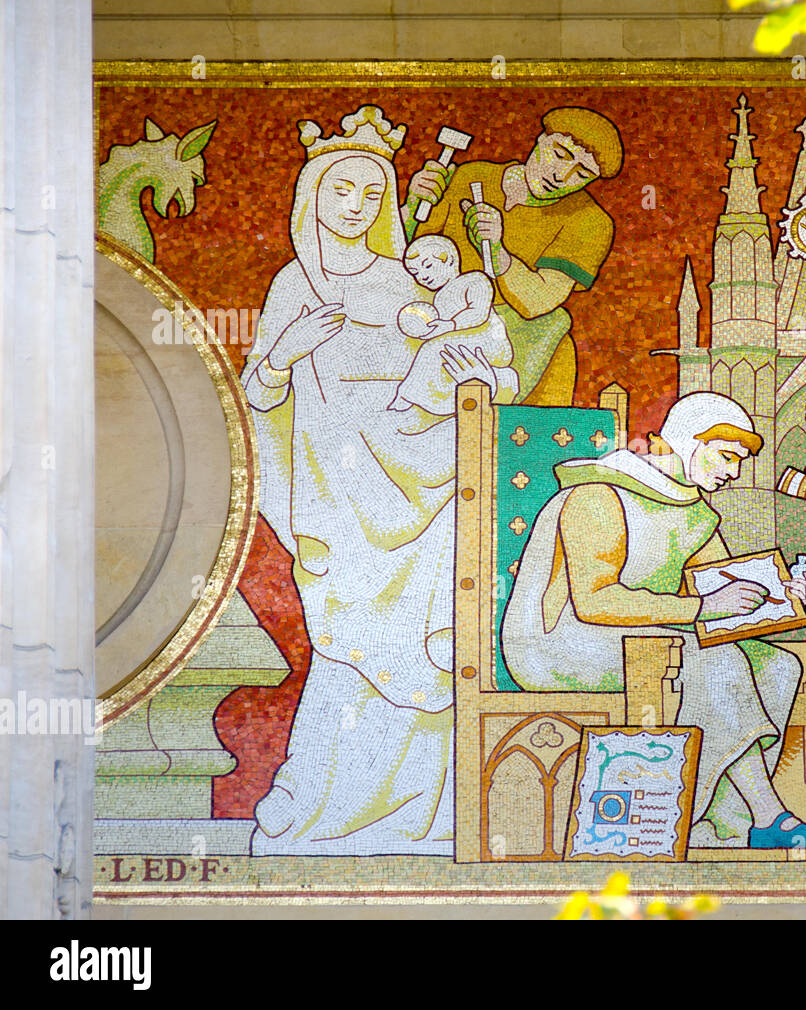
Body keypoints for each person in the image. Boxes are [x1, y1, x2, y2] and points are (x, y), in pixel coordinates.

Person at [241, 106, 491, 855]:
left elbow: (454, 351)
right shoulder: (295, 282)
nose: (358, 207)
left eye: (374, 195)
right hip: (338, 492)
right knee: (351, 646)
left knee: (430, 646)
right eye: (342, 191)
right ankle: (320, 810)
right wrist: (284, 354)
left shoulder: (403, 280)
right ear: (312, 195)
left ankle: (429, 817)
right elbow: (258, 394)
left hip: (424, 478)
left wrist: (467, 373)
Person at [501, 392, 806, 853]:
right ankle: (769, 818)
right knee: (717, 663)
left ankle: (721, 821)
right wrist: (705, 609)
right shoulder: (599, 494)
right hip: (559, 643)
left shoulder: (695, 511)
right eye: (727, 456)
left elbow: (728, 597)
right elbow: (593, 601)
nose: (734, 472)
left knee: (779, 666)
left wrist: (786, 596)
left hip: (651, 639)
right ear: (689, 442)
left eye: (741, 461)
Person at [405, 107, 623, 406]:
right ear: (540, 139)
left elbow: (539, 301)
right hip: (436, 319)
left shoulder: (590, 222)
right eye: (560, 154)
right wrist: (411, 204)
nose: (562, 176)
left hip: (515, 344)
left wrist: (497, 251)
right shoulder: (473, 175)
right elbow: (410, 255)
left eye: (582, 173)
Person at [390, 235, 518, 414]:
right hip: (464, 343)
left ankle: (405, 396)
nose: (423, 276)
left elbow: (478, 313)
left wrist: (450, 325)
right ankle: (437, 402)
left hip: (489, 341)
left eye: (427, 266)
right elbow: (445, 331)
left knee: (430, 350)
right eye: (415, 272)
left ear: (450, 260)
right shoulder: (440, 296)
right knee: (437, 356)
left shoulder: (476, 280)